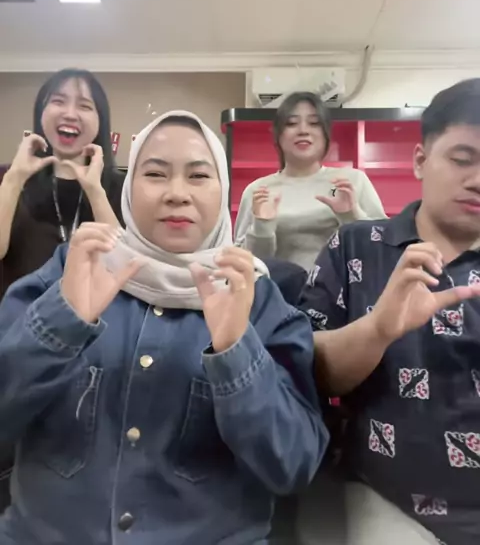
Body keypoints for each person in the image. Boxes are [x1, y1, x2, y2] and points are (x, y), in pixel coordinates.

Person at [0, 110, 327, 545]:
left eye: (199, 176)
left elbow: (293, 465)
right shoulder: (73, 271)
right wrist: (61, 323)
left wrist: (236, 352)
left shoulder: (257, 298)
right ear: (128, 189)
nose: (177, 194)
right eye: (155, 174)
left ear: (224, 190)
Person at [299, 78, 480, 545]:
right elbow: (311, 369)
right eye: (463, 159)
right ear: (420, 160)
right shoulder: (356, 246)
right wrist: (377, 329)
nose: (477, 180)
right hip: (388, 498)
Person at [0, 68, 124, 513]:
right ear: (41, 113)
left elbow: (125, 265)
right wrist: (14, 178)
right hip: (15, 350)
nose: (70, 112)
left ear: (100, 122)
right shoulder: (9, 179)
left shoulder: (120, 186)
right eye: (58, 100)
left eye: (85, 105)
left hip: (96, 357)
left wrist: (95, 188)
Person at [234, 91, 386, 272]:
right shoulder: (258, 190)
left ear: (326, 134)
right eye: (291, 123)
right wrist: (262, 228)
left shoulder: (351, 181)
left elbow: (384, 247)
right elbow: (242, 265)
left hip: (342, 289)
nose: (303, 130)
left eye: (314, 123)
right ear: (278, 135)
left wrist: (351, 216)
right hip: (278, 289)